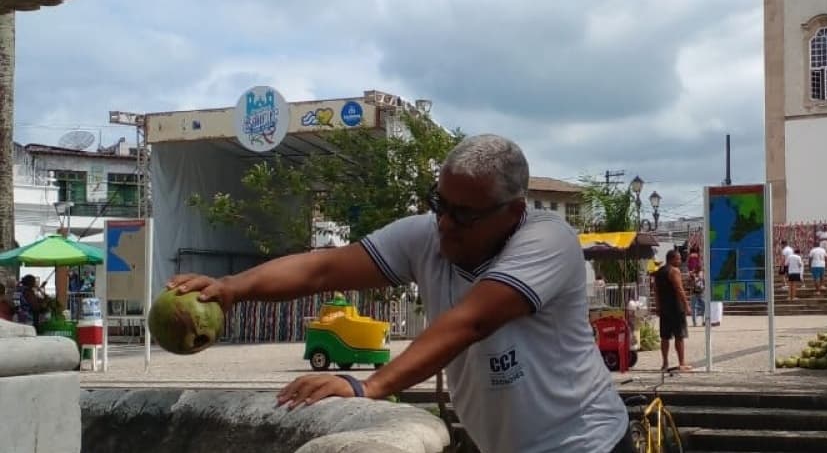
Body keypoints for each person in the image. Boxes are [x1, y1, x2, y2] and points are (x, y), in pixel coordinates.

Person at [167, 134, 633, 453]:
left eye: (464, 214)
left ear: (512, 214)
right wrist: (232, 288)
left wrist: (367, 385)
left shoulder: (548, 239)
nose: (445, 223)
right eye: (439, 205)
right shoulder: (427, 235)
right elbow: (322, 268)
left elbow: (470, 321)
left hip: (586, 443)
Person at [654, 249, 692, 372]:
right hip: (676, 307)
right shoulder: (674, 271)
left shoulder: (659, 272)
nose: (680, 261)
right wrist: (686, 305)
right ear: (672, 259)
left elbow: (656, 292)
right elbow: (679, 289)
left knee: (665, 337)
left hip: (664, 308)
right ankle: (682, 363)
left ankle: (665, 363)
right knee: (679, 336)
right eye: (678, 258)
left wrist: (658, 307)